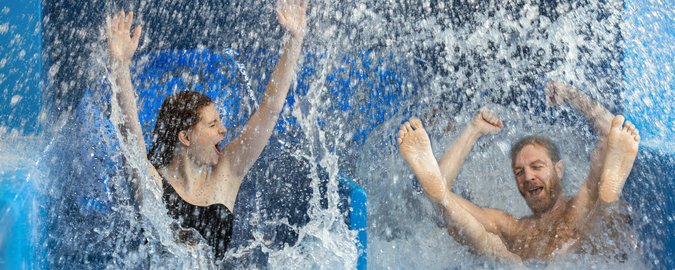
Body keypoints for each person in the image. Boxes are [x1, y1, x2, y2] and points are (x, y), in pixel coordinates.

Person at [106, 0, 308, 260]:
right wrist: (120, 67)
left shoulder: (228, 170)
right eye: (212, 125)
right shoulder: (154, 184)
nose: (224, 131)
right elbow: (129, 136)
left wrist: (295, 39)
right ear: (186, 136)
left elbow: (269, 111)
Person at [397, 80, 640, 262]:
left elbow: (610, 132)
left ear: (559, 169)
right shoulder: (514, 228)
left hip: (577, 258)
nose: (528, 177)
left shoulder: (580, 205)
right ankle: (609, 199)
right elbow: (440, 187)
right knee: (493, 247)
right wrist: (473, 130)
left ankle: (609, 198)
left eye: (537, 166)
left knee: (586, 237)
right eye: (519, 172)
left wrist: (570, 94)